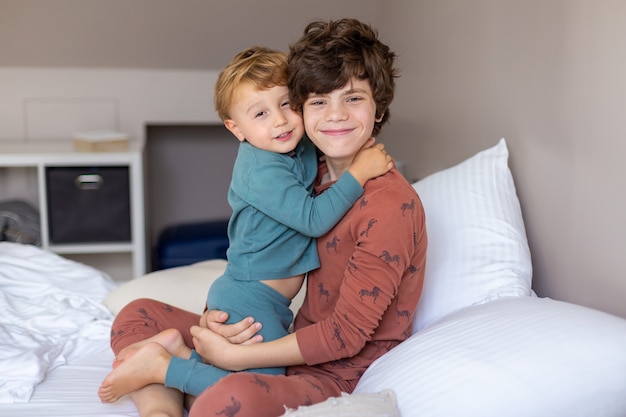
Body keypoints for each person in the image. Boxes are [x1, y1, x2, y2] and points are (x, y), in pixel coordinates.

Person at [97, 45, 392, 407]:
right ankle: (165, 368)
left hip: (261, 297)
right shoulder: (261, 169)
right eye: (260, 113)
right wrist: (360, 173)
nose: (280, 121)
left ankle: (173, 365)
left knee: (247, 375)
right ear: (237, 129)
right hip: (252, 297)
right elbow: (313, 220)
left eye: (287, 104)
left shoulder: (296, 146)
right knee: (262, 381)